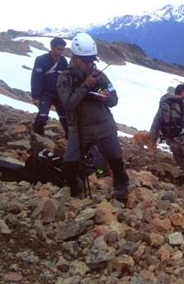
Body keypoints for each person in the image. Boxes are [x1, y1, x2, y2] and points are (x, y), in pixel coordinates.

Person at [57, 33, 129, 202]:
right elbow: (68, 103)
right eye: (86, 60)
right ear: (75, 58)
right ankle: (76, 192)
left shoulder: (100, 76)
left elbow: (114, 99)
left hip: (105, 127)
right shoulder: (64, 78)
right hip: (79, 129)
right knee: (69, 167)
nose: (90, 64)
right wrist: (85, 86)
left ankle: (121, 195)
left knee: (116, 163)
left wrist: (106, 97)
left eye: (92, 60)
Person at [149, 84, 184, 186]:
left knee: (179, 158)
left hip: (171, 139)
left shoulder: (165, 104)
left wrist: (153, 140)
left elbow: (156, 122)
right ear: (183, 92)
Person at [31, 37, 69, 137]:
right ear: (52, 48)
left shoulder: (63, 61)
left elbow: (67, 78)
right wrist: (35, 96)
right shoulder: (41, 60)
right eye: (59, 49)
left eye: (63, 50)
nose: (61, 52)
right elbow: (36, 78)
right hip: (45, 94)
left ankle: (70, 137)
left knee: (65, 117)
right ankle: (37, 135)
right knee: (43, 115)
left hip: (59, 94)